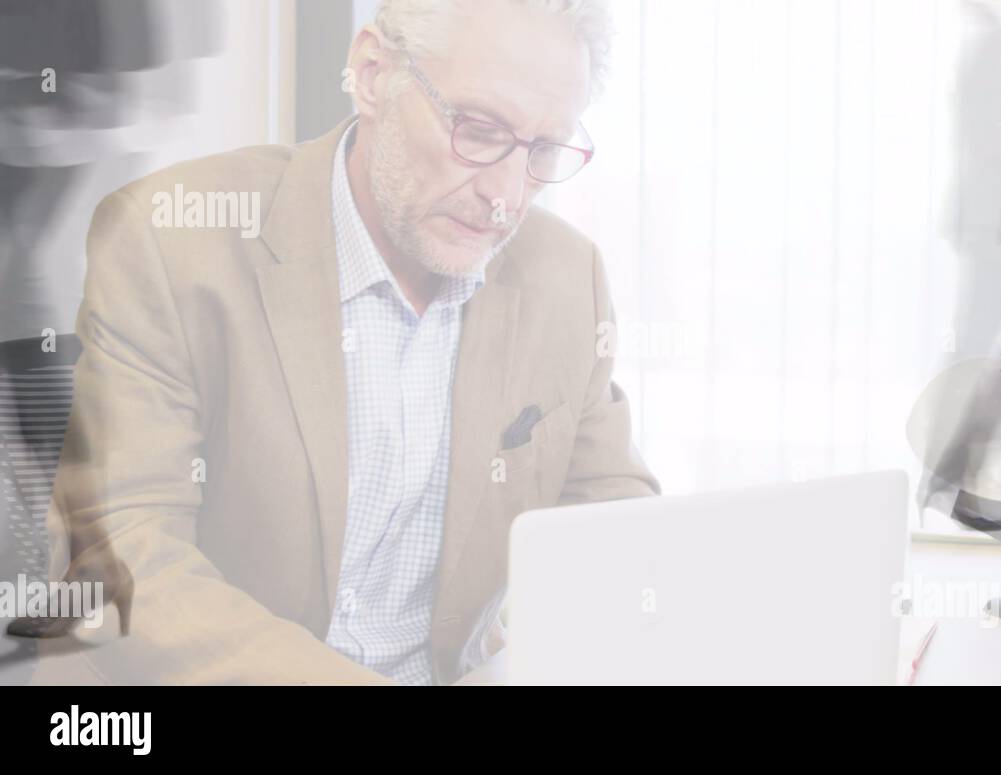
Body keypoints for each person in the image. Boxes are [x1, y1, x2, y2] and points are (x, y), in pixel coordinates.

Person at [12, 0, 658, 686]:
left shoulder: (566, 278)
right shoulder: (170, 242)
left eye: (544, 150)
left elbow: (616, 529)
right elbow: (124, 558)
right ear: (374, 74)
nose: (505, 195)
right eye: (478, 129)